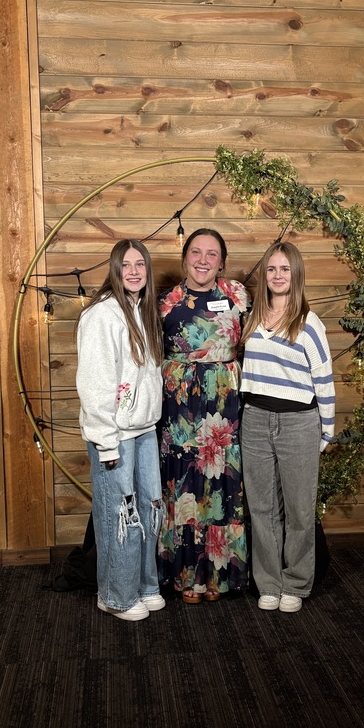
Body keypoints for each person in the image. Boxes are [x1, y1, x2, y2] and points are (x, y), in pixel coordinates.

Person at [240, 241, 335, 613]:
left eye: (285, 269)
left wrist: (325, 431)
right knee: (262, 508)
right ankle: (268, 583)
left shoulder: (309, 324)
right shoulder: (251, 319)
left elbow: (324, 380)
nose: (278, 276)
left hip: (299, 423)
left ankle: (295, 582)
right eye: (271, 269)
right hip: (255, 420)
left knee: (298, 509)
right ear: (264, 275)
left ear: (295, 275)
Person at [158, 228, 249, 603]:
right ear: (184, 258)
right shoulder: (164, 302)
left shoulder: (238, 296)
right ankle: (185, 579)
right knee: (184, 486)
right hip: (179, 408)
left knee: (220, 487)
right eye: (196, 252)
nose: (203, 260)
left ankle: (218, 578)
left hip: (223, 408)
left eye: (212, 254)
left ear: (222, 261)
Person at [75, 240, 165, 621]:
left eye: (139, 264)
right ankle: (115, 595)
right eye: (125, 265)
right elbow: (94, 384)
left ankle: (144, 585)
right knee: (121, 515)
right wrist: (106, 442)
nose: (133, 271)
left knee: (148, 509)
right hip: (114, 436)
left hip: (144, 430)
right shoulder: (101, 316)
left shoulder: (142, 311)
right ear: (114, 269)